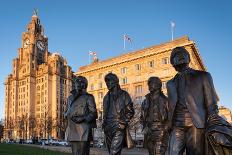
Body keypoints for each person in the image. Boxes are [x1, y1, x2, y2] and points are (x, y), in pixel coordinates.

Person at [167, 46, 219, 155]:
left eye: (183, 53)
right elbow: (170, 106)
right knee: (173, 152)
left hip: (197, 125)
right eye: (176, 54)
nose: (181, 56)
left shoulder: (204, 76)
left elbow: (211, 104)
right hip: (177, 125)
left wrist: (214, 126)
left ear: (189, 59)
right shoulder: (170, 83)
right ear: (172, 62)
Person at [102, 73, 134, 155]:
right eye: (106, 82)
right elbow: (104, 113)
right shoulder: (106, 97)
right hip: (108, 127)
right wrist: (104, 124)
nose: (107, 83)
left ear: (116, 81)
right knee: (112, 152)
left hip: (118, 125)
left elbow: (130, 111)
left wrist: (123, 122)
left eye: (109, 81)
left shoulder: (124, 94)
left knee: (114, 152)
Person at [65, 76, 97, 155]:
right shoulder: (70, 98)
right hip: (72, 129)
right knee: (75, 153)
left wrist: (83, 118)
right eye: (76, 82)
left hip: (84, 130)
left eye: (80, 82)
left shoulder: (89, 97)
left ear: (84, 84)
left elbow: (93, 113)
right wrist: (67, 115)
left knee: (83, 153)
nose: (77, 83)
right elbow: (66, 112)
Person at [140, 76, 169, 155]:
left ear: (158, 85)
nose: (149, 85)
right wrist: (145, 126)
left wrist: (165, 128)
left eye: (151, 83)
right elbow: (142, 117)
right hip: (149, 130)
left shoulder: (165, 100)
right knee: (151, 152)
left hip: (160, 129)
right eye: (148, 84)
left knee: (158, 152)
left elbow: (171, 116)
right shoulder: (145, 101)